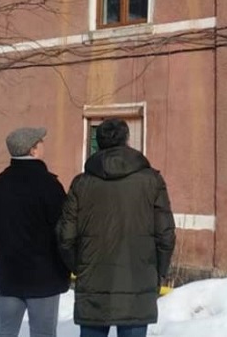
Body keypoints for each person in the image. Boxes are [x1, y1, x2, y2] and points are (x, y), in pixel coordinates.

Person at [57, 118, 175, 337]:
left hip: (93, 279)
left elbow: (66, 236)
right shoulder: (152, 180)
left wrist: (80, 267)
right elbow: (166, 234)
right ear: (127, 140)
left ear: (99, 142)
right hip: (138, 279)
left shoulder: (81, 183)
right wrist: (158, 272)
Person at [0, 127, 71, 337]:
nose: (43, 146)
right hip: (44, 273)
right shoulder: (49, 185)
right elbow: (64, 226)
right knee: (43, 333)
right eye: (41, 142)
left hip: (10, 272)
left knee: (5, 331)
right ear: (33, 150)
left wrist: (2, 243)